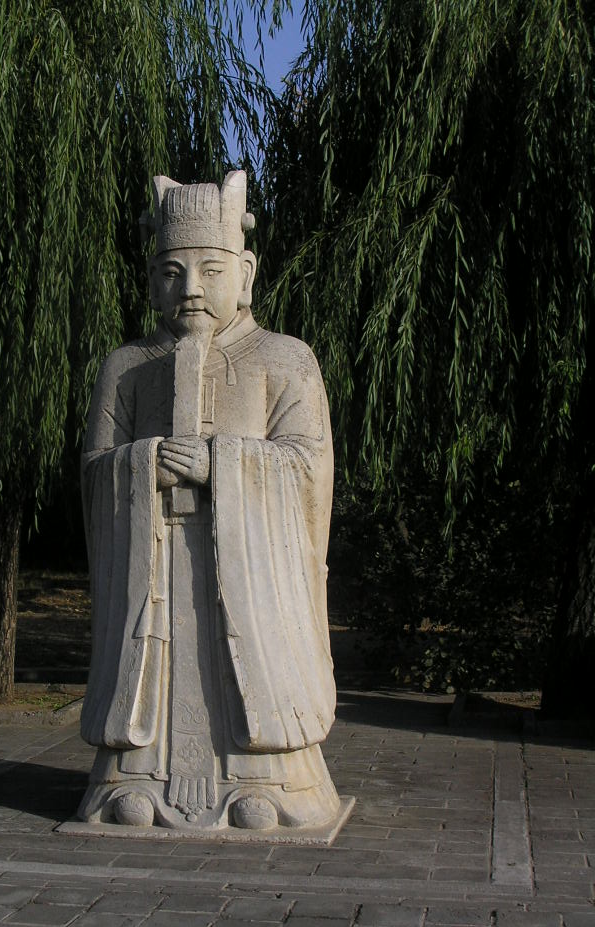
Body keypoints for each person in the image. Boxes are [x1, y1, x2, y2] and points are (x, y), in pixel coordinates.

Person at [76, 171, 346, 832]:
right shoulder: (126, 366)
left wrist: (222, 465)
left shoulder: (285, 360)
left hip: (249, 573)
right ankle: (134, 778)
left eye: (211, 270)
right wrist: (143, 465)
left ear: (245, 274)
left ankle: (271, 780)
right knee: (153, 661)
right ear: (152, 281)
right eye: (172, 272)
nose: (190, 288)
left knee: (246, 667)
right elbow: (95, 470)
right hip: (156, 564)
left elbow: (309, 468)